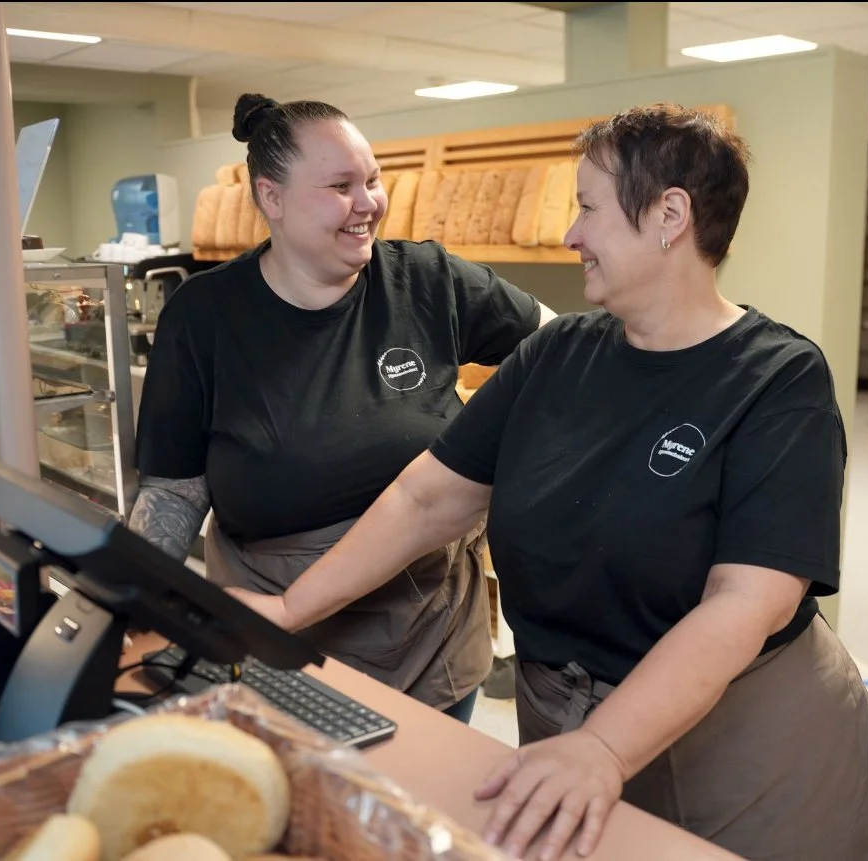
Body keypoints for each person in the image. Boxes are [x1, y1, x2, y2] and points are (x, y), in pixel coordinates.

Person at [231, 103, 868, 861]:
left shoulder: (778, 379)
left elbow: (744, 604)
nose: (570, 232)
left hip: (743, 743)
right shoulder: (557, 354)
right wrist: (288, 606)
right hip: (563, 727)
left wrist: (608, 747)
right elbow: (428, 498)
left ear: (669, 216)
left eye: (588, 207)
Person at [128, 93, 555, 724]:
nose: (368, 203)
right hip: (272, 633)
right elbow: (174, 492)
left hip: (424, 636)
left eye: (373, 180)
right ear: (270, 198)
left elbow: (561, 350)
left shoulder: (429, 280)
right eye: (340, 185)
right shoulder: (205, 316)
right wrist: (131, 605)